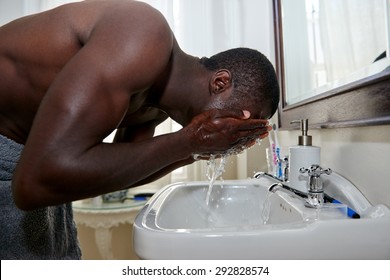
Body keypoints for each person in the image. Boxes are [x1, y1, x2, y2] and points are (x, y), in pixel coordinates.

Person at [0, 0, 279, 259]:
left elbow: (118, 174)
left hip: (31, 156)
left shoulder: (154, 108)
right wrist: (191, 142)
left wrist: (195, 148)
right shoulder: (143, 33)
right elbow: (32, 186)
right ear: (220, 83)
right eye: (245, 120)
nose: (239, 131)